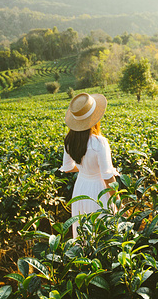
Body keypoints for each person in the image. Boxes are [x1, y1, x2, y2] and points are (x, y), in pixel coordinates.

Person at [60, 92, 119, 237]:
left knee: (83, 231)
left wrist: (84, 170)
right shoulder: (99, 142)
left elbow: (67, 168)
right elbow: (107, 177)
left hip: (81, 188)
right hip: (98, 190)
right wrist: (119, 203)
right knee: (102, 232)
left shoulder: (69, 141)